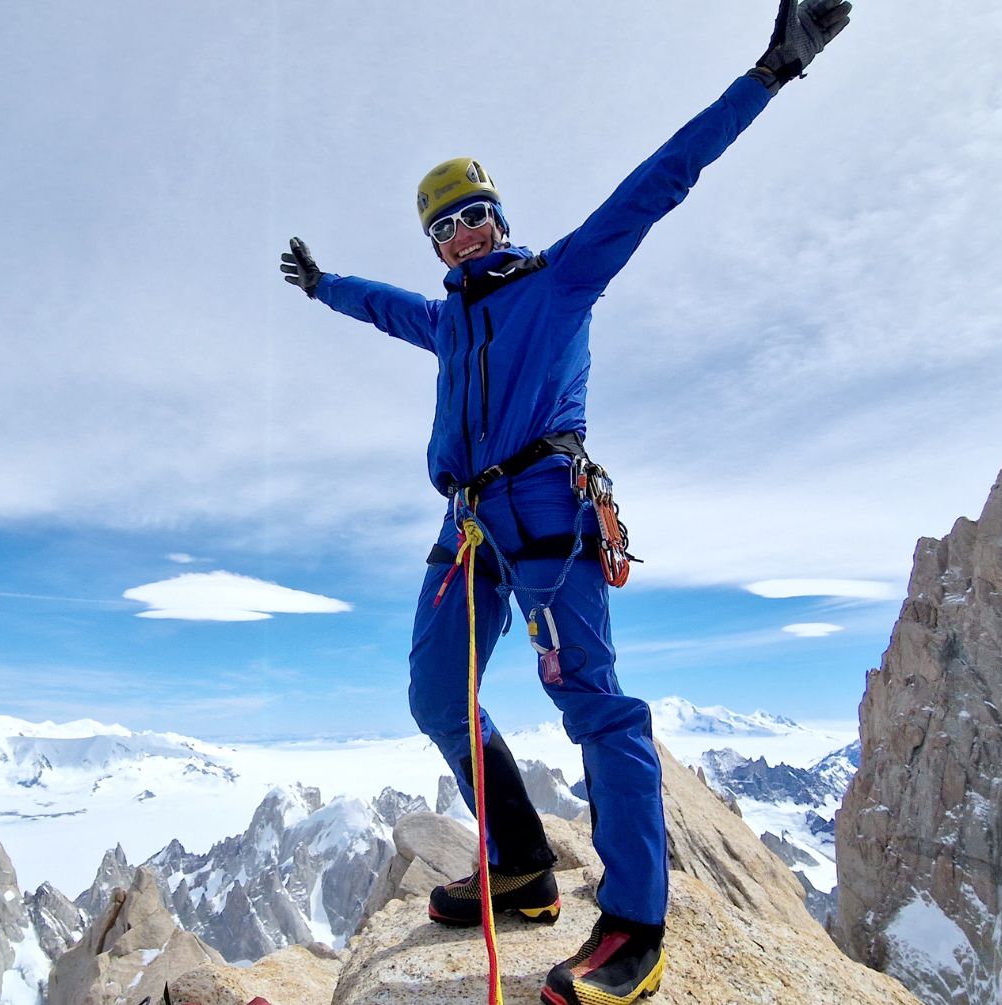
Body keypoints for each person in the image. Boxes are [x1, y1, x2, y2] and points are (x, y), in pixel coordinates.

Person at [280, 3, 851, 1002]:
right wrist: (324, 286)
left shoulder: (558, 281)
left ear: (501, 216)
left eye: (476, 213)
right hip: (465, 528)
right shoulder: (444, 322)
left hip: (547, 513)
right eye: (445, 226)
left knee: (593, 705)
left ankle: (634, 924)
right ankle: (521, 869)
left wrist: (768, 76)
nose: (464, 232)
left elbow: (659, 181)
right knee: (432, 694)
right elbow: (379, 307)